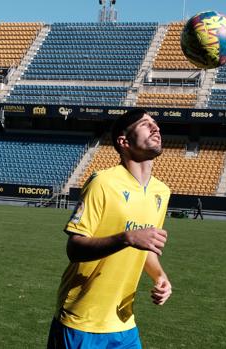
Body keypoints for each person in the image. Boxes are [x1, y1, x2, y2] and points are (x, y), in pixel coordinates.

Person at [47, 108, 172, 349]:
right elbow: (74, 248)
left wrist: (159, 276)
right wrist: (126, 238)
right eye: (145, 124)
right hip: (82, 320)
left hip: (123, 323)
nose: (155, 128)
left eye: (155, 123)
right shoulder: (103, 182)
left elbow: (146, 246)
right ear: (124, 142)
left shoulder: (161, 192)